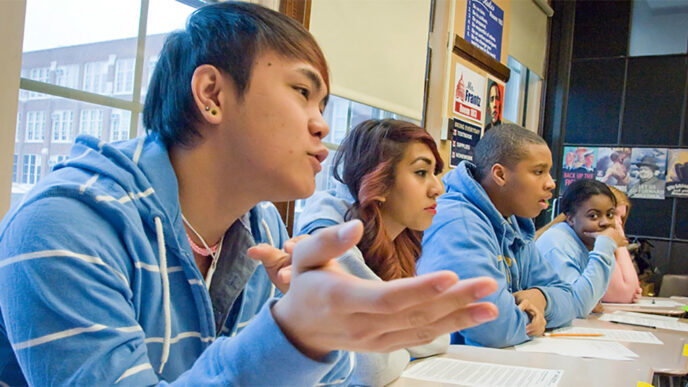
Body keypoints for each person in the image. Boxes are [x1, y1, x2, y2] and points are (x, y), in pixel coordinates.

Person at [0, 3, 499, 385]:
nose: (322, 124)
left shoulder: (259, 225)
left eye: (323, 103)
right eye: (302, 93)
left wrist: (318, 336)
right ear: (213, 96)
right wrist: (294, 334)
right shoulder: (65, 224)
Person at [296, 119, 454, 385]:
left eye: (435, 173)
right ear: (378, 181)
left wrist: (394, 341)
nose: (438, 188)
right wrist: (403, 344)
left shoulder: (398, 238)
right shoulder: (330, 240)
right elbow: (370, 367)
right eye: (421, 173)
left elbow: (439, 331)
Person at [417, 123, 577, 348]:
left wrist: (540, 297)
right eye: (538, 171)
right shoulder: (459, 223)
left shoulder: (513, 221)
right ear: (500, 175)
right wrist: (532, 319)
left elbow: (569, 298)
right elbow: (493, 329)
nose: (551, 183)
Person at [534, 179, 626, 316]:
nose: (605, 222)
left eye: (610, 214)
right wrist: (604, 248)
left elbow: (591, 302)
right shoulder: (556, 242)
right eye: (593, 216)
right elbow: (577, 308)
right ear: (571, 219)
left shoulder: (595, 242)